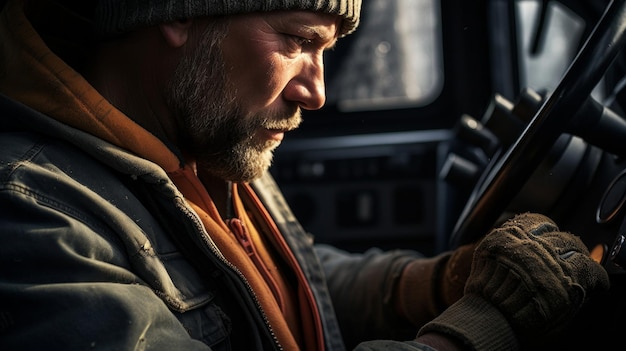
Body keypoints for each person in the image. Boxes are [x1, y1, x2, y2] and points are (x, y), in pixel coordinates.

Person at [0, 0, 610, 350]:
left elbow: (293, 286)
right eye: (297, 40)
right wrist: (481, 327)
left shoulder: (205, 144)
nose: (315, 91)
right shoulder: (32, 214)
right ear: (182, 10)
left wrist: (432, 284)